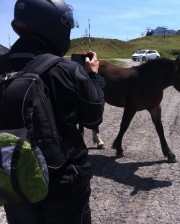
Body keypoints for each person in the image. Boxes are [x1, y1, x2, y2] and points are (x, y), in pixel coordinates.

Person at [0, 0, 105, 223]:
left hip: (14, 178)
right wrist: (94, 76)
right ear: (53, 27)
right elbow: (93, 116)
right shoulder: (68, 70)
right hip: (63, 181)